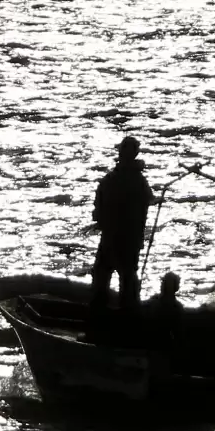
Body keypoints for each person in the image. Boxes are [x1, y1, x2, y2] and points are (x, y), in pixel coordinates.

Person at [90, 135, 154, 314]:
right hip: (131, 239)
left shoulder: (111, 179)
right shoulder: (139, 180)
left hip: (111, 237)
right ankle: (129, 316)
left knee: (102, 276)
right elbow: (148, 199)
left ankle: (98, 315)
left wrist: (101, 220)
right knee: (128, 278)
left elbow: (98, 208)